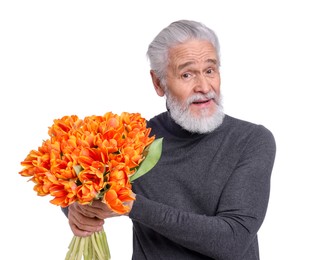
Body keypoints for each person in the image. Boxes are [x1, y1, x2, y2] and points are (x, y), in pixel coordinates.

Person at [62, 19, 276, 259]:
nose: (204, 87)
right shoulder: (132, 141)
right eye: (187, 74)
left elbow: (232, 240)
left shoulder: (251, 140)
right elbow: (84, 184)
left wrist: (132, 205)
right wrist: (76, 208)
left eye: (210, 70)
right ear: (158, 82)